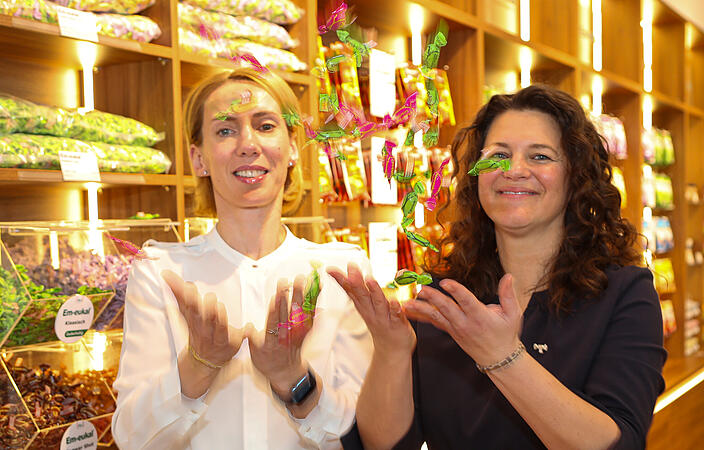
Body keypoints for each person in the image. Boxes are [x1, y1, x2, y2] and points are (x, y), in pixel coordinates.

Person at [330, 84, 667, 449]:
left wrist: (503, 358)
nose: (514, 170)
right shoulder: (446, 294)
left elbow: (618, 442)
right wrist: (391, 351)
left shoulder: (624, 293)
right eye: (498, 155)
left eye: (540, 156)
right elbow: (389, 445)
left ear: (575, 177)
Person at [111, 68, 373, 449]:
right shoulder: (160, 272)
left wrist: (293, 378)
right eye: (225, 130)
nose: (248, 144)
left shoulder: (342, 273)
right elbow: (132, 437)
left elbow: (365, 430)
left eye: (266, 126)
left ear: (293, 148)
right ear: (197, 158)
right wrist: (198, 365)